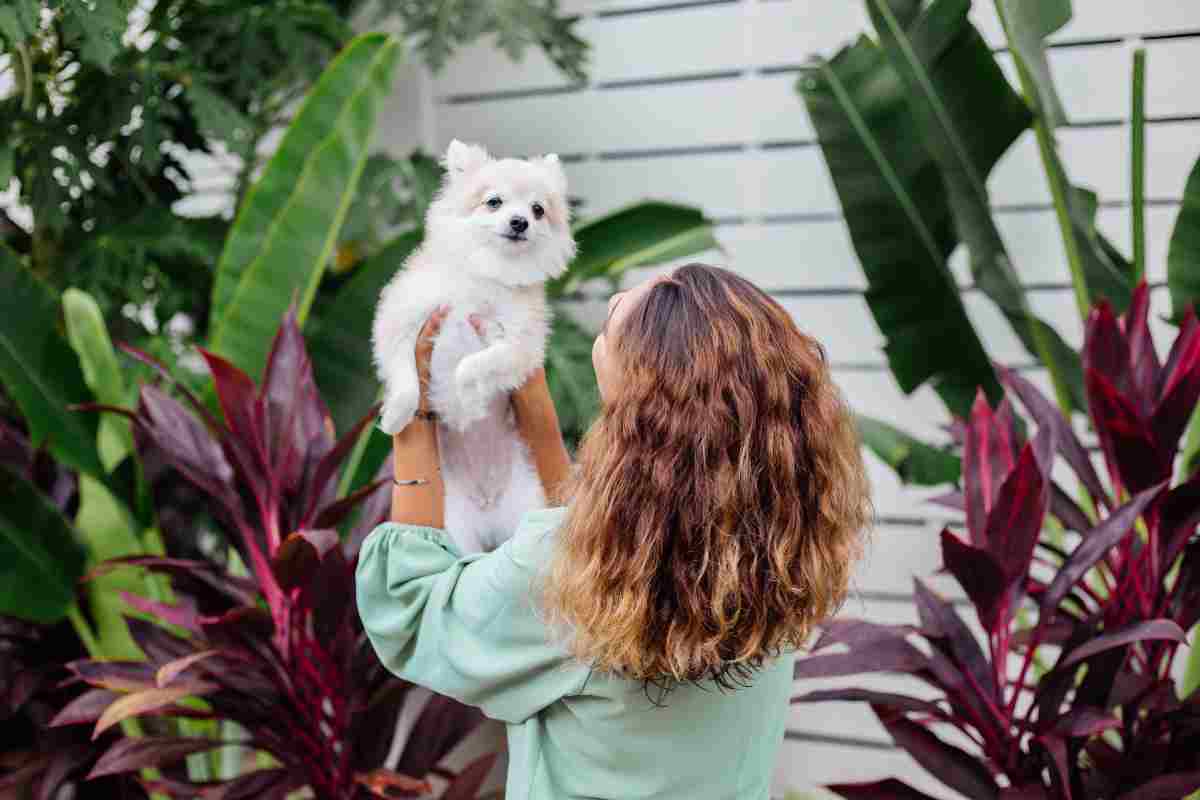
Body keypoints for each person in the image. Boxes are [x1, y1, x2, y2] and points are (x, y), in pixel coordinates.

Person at [355, 263, 872, 799]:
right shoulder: (781, 537)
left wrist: (411, 413)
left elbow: (410, 611)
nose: (623, 296)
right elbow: (613, 524)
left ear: (639, 392)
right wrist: (538, 418)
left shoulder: (564, 568)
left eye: (611, 321)